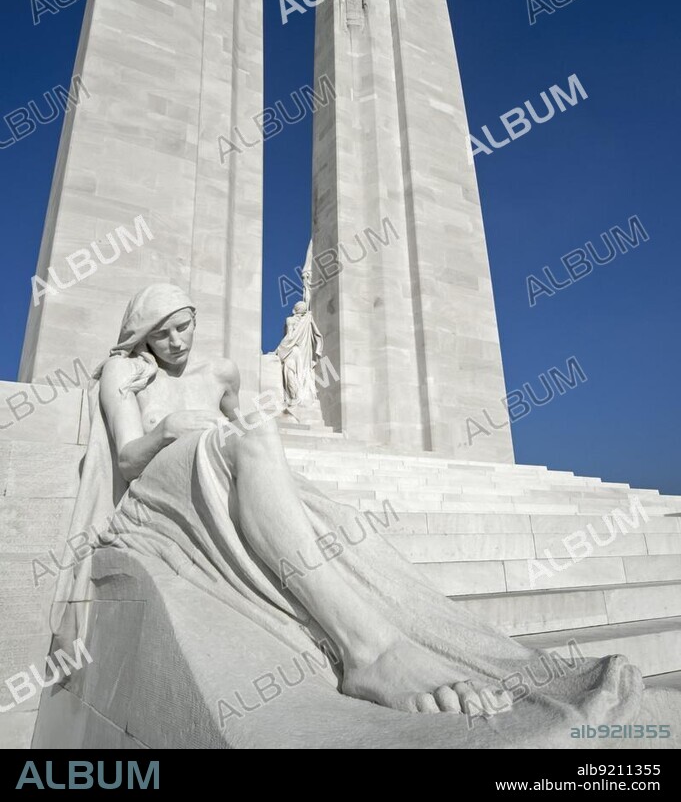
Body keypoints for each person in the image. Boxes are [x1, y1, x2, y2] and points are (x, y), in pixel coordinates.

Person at [51, 283, 681, 748]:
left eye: (185, 325)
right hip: (164, 476)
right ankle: (368, 652)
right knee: (242, 444)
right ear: (144, 334)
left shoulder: (220, 369)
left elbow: (244, 418)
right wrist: (168, 427)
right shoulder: (125, 370)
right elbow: (129, 456)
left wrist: (240, 429)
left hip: (219, 457)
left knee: (259, 441)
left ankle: (383, 635)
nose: (178, 341)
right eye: (164, 332)